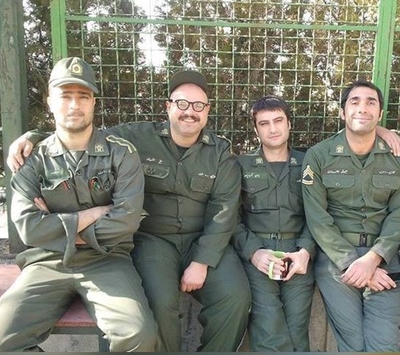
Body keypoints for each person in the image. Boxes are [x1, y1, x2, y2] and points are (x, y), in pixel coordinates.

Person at [7, 69, 252, 352]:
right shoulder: (137, 136)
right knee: (160, 302)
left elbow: (224, 211)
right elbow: (80, 134)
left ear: (207, 110)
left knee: (235, 298)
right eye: (182, 103)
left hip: (204, 240)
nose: (190, 112)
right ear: (168, 107)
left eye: (199, 105)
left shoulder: (220, 153)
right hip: (154, 240)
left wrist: (201, 261)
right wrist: (34, 137)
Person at [0, 57, 158, 352]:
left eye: (83, 96)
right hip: (47, 262)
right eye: (65, 96)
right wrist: (92, 214)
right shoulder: (32, 159)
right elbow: (29, 229)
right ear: (49, 101)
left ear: (93, 102)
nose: (75, 105)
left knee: (138, 335)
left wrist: (57, 226)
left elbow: (126, 220)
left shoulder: (120, 153)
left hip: (106, 260)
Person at [301, 80, 400, 352]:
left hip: (385, 261)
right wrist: (351, 263)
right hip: (336, 263)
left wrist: (373, 258)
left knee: (384, 345)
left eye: (371, 102)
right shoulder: (319, 156)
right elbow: (318, 218)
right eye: (354, 102)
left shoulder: (396, 156)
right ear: (343, 112)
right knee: (353, 345)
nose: (363, 108)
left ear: (380, 113)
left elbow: (398, 214)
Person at [233, 95, 315, 351]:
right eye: (264, 123)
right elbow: (229, 218)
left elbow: (320, 214)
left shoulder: (310, 162)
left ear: (289, 123)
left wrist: (305, 251)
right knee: (268, 330)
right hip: (258, 255)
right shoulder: (240, 165)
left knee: (297, 331)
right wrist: (254, 253)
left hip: (298, 254)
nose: (272, 129)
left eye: (278, 120)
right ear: (256, 129)